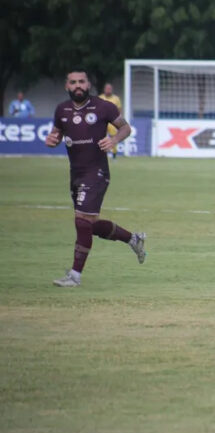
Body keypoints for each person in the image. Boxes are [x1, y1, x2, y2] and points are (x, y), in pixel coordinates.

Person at [45, 69, 146, 287]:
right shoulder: (61, 109)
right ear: (67, 86)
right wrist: (52, 139)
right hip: (76, 173)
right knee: (88, 225)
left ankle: (74, 276)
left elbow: (126, 128)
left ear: (88, 84)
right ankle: (133, 239)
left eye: (82, 81)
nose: (78, 85)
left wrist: (113, 139)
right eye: (73, 82)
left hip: (97, 172)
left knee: (81, 221)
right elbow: (57, 134)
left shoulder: (103, 107)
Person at [99, 83, 123, 159]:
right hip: (102, 121)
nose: (108, 90)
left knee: (114, 137)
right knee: (101, 137)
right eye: (107, 88)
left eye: (110, 89)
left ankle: (114, 155)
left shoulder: (116, 99)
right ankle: (101, 155)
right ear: (104, 89)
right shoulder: (100, 98)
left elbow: (119, 110)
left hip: (112, 122)